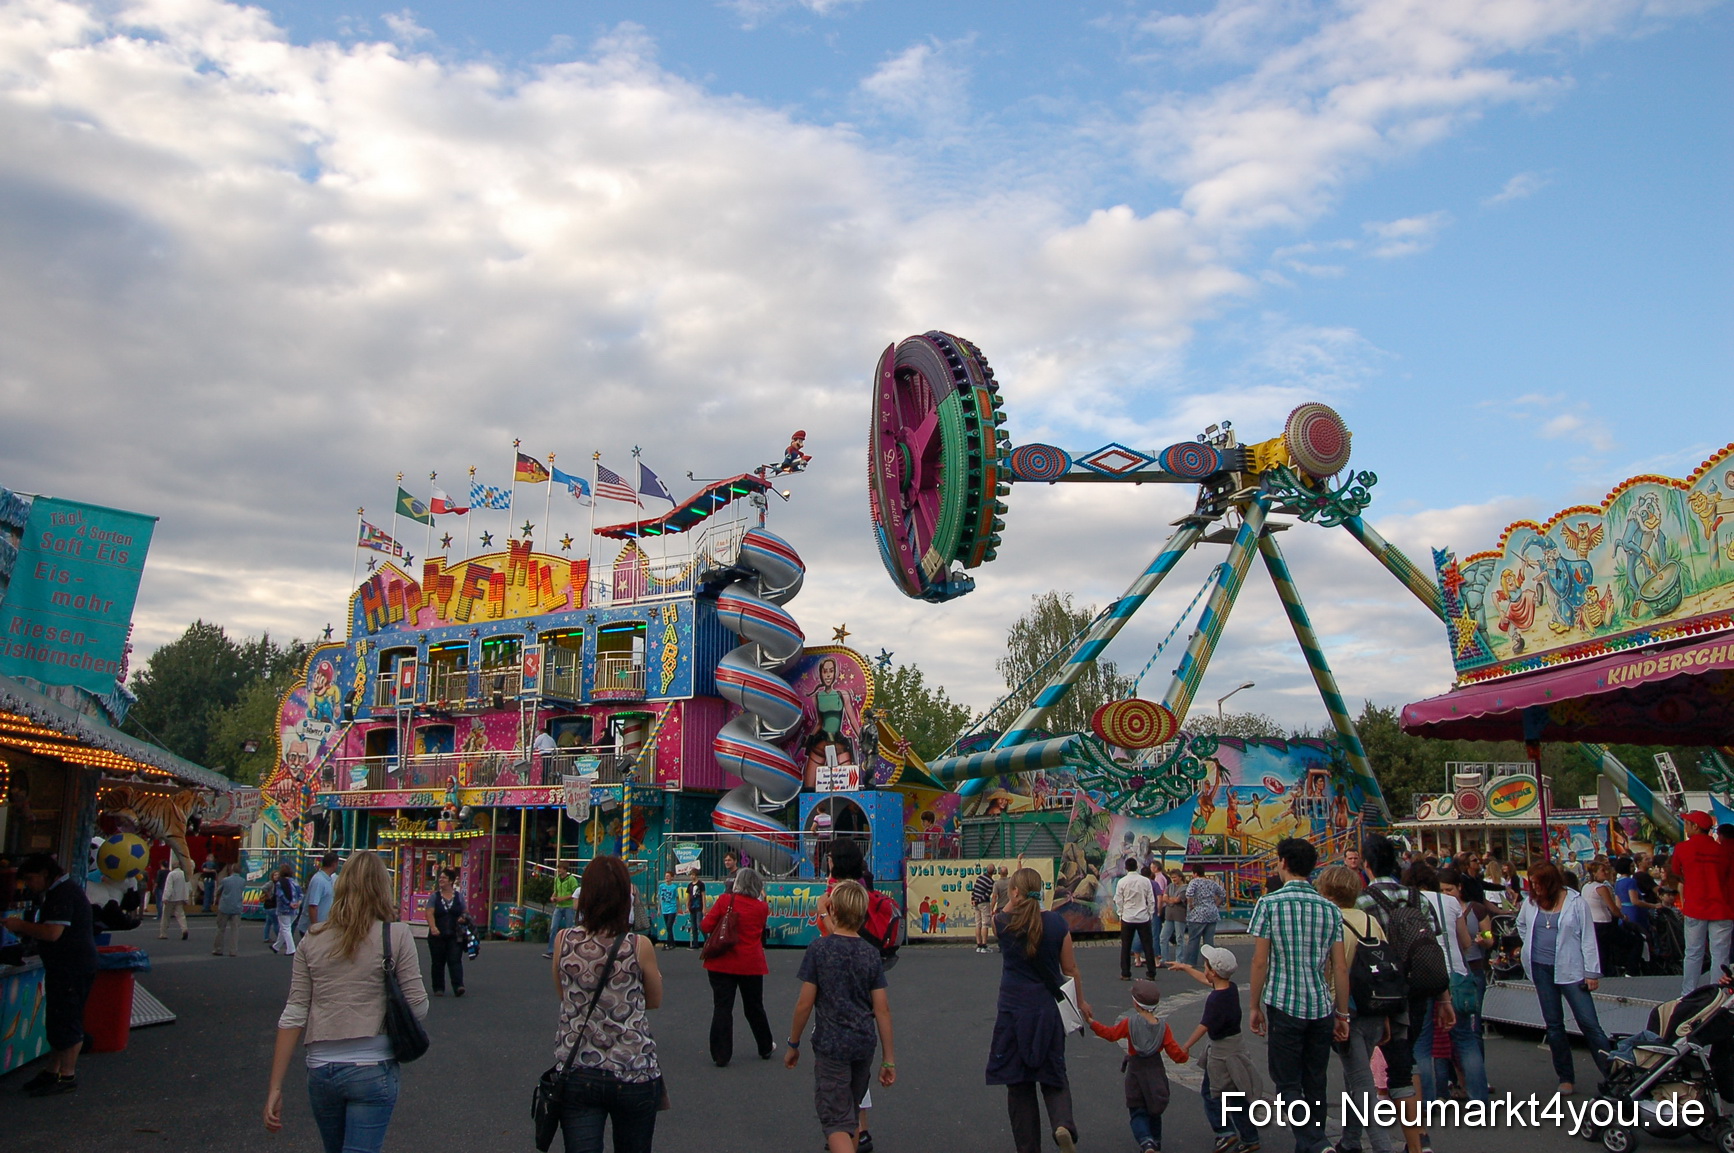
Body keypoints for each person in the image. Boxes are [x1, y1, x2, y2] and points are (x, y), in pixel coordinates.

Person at [264, 851, 427, 1153]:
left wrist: (275, 1086)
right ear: (382, 887)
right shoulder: (396, 935)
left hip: (321, 1066)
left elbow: (294, 1012)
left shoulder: (313, 938)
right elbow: (417, 1006)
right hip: (372, 1063)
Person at [550, 855, 665, 1153]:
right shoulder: (638, 946)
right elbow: (654, 1000)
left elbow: (564, 994)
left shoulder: (564, 940)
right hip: (632, 1066)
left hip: (578, 1066)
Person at [1247, 837, 1349, 1153]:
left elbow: (1260, 961)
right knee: (1315, 1079)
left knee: (1288, 1083)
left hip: (1283, 1001)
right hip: (1320, 1003)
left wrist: (1253, 1005)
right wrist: (1341, 1012)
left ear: (1283, 863)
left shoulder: (1269, 904)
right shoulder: (1330, 910)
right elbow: (1340, 967)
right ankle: (1312, 1143)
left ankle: (1315, 1143)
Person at [784, 880, 897, 1153]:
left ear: (833, 909)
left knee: (835, 1121)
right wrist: (889, 1059)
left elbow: (804, 1004)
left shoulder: (820, 950)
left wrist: (793, 1043)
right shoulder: (870, 955)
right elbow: (882, 1009)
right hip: (863, 1042)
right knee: (852, 1111)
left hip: (832, 1044)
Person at [989, 865, 1088, 1153]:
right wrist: (1081, 1003)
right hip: (1047, 1009)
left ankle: (1028, 1147)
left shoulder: (1003, 923)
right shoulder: (1057, 924)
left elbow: (1002, 913)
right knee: (1053, 1072)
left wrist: (1014, 897)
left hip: (1013, 1009)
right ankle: (1062, 1124)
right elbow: (1070, 970)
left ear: (1015, 892)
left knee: (1018, 1083)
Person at [1359, 835, 1448, 1153]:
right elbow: (1432, 943)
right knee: (1408, 1055)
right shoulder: (1417, 896)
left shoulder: (1364, 900)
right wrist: (1445, 997)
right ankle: (1419, 1131)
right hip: (1419, 986)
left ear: (1367, 864)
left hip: (1384, 989)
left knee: (1385, 1060)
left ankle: (1405, 1138)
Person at [4, 854, 98, 1096]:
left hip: (72, 966)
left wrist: (19, 926)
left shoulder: (63, 894)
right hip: (65, 966)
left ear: (45, 874)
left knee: (67, 1019)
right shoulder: (63, 891)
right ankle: (52, 1070)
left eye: (31, 879)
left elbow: (53, 932)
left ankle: (66, 1075)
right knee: (58, 1018)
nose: (29, 885)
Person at [1516, 861, 1611, 1095]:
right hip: (1541, 968)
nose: (1534, 888)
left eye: (1538, 883)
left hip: (1571, 969)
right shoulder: (1530, 903)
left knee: (1589, 1023)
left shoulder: (1576, 903)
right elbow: (1521, 925)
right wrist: (1531, 947)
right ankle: (1565, 1077)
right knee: (1554, 1025)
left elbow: (1588, 937)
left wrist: (1591, 972)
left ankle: (1613, 1073)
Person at [1314, 865, 1388, 1153]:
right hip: (1376, 1005)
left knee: (1360, 1081)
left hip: (1350, 1008)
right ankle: (1350, 1139)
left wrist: (1336, 1011)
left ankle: (1382, 1146)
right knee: (1355, 1076)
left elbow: (1333, 970)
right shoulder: (1369, 920)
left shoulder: (1333, 922)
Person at [1405, 860, 1486, 1102]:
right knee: (1465, 1039)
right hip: (1455, 974)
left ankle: (1427, 1100)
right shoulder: (1449, 902)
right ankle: (1479, 1099)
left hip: (1423, 975)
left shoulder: (1407, 903)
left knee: (1423, 1042)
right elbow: (1465, 942)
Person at [1172, 944, 1264, 1153]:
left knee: (1211, 1094)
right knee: (1236, 1095)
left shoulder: (1215, 1000)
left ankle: (1225, 1132)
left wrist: (1185, 1046)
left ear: (1213, 971)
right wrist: (1186, 968)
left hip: (1222, 1054)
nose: (1204, 970)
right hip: (1236, 1046)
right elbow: (1206, 981)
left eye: (1205, 965)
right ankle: (1250, 1137)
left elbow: (1203, 1026)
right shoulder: (1229, 989)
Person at [1087, 979, 1189, 1153]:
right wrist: (1185, 1054)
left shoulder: (1129, 1023)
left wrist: (1092, 1023)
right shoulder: (1164, 1028)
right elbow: (1176, 1055)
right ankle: (1155, 1142)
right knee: (1154, 1111)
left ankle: (1146, 1141)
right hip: (1156, 1071)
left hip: (1136, 1072)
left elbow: (1111, 1035)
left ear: (1135, 1003)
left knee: (1137, 1110)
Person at [703, 867, 775, 1066]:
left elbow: (706, 926)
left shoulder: (726, 901)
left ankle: (721, 1054)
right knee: (754, 1006)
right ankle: (765, 1045)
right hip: (750, 962)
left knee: (722, 1007)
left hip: (722, 961)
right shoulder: (762, 908)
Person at [1669, 811, 1734, 995]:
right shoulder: (1722, 851)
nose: (1686, 827)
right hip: (1721, 908)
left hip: (1696, 906)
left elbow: (1676, 871)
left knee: (1693, 952)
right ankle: (1718, 994)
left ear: (1695, 827)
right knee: (1720, 954)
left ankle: (1688, 993)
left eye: (1687, 823)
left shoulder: (1682, 848)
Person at [426, 867, 468, 996]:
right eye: (440, 878)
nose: (441, 880)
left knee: (455, 959)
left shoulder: (459, 897)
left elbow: (465, 912)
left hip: (455, 934)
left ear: (451, 881)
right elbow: (429, 913)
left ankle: (458, 986)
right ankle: (438, 988)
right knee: (438, 962)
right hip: (437, 934)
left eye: (444, 878)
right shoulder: (435, 897)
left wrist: (462, 918)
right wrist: (433, 927)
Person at [1114, 857, 1158, 981]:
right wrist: (1150, 913)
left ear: (1126, 867)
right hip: (1143, 916)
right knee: (1148, 945)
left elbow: (1118, 899)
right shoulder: (1145, 881)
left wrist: (1120, 913)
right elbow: (1150, 899)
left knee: (1126, 946)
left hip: (1128, 916)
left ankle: (1126, 972)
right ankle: (1151, 972)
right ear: (1137, 867)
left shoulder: (1122, 882)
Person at [1582, 859, 1625, 977]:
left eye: (1606, 870)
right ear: (1594, 873)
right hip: (1604, 923)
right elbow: (1613, 908)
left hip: (1592, 922)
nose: (1606, 872)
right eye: (1602, 871)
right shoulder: (1601, 888)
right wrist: (1623, 916)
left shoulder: (1586, 886)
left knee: (1599, 950)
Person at [1183, 863, 1226, 967]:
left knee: (1194, 939)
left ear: (1195, 873)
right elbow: (1223, 893)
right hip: (1212, 913)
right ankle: (1209, 963)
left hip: (1198, 914)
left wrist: (1191, 905)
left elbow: (1189, 894)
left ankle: (1190, 962)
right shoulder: (1211, 882)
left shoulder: (1194, 882)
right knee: (1209, 940)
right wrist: (1216, 904)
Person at [545, 862, 580, 959]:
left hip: (568, 906)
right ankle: (551, 950)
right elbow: (555, 891)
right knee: (553, 927)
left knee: (569, 928)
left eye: (560, 869)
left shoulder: (571, 879)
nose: (558, 871)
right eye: (558, 869)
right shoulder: (557, 879)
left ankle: (569, 950)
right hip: (558, 907)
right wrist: (553, 897)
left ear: (565, 869)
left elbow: (575, 893)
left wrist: (562, 898)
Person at [213, 863, 246, 956]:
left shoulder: (225, 880)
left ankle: (218, 949)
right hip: (237, 907)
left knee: (220, 929)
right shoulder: (242, 881)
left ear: (231, 869)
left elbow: (219, 891)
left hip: (224, 906)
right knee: (235, 930)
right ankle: (233, 950)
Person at [271, 863, 303, 955]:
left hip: (284, 909)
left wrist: (289, 904)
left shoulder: (279, 883)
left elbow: (280, 895)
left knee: (285, 928)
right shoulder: (295, 882)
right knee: (285, 927)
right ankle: (276, 946)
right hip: (295, 910)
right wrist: (298, 903)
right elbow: (301, 894)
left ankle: (291, 949)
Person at [305, 852, 340, 929]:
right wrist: (314, 927)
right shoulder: (319, 880)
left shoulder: (329, 879)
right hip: (317, 927)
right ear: (334, 864)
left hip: (324, 925)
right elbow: (313, 906)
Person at [158, 860, 190, 940]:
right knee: (181, 915)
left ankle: (163, 933)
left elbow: (168, 887)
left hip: (171, 898)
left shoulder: (171, 874)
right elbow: (187, 886)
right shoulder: (183, 874)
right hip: (180, 897)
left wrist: (165, 897)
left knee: (166, 916)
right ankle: (184, 929)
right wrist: (186, 898)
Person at [1160, 871, 1187, 964]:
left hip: (1179, 916)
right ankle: (1164, 958)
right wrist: (1171, 899)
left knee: (1179, 938)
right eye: (1172, 877)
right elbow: (1164, 898)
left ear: (1180, 877)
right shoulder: (1170, 886)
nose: (1174, 879)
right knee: (1163, 937)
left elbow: (1177, 900)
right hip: (1169, 915)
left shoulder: (1185, 888)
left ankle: (1179, 959)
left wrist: (1170, 899)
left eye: (1175, 877)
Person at [972, 865, 999, 953]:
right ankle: (984, 945)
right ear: (993, 872)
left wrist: (973, 900)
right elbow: (987, 895)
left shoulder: (979, 878)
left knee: (977, 923)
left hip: (975, 902)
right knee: (985, 924)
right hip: (984, 903)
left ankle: (978, 945)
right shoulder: (991, 882)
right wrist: (979, 900)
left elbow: (974, 890)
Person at [656, 867, 681, 950]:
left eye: (668, 876)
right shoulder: (661, 886)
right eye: (665, 876)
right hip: (664, 909)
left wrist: (678, 909)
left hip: (672, 909)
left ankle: (668, 943)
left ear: (672, 878)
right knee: (668, 927)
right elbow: (659, 898)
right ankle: (672, 943)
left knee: (669, 926)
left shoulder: (674, 887)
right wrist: (659, 909)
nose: (666, 878)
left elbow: (677, 898)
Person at [687, 874, 707, 950]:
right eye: (691, 875)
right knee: (693, 926)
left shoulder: (701, 884)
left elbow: (703, 895)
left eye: (693, 875)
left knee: (699, 924)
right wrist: (687, 906)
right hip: (692, 907)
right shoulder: (689, 885)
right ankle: (695, 943)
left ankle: (706, 939)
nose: (692, 876)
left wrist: (704, 908)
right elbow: (688, 896)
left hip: (699, 906)